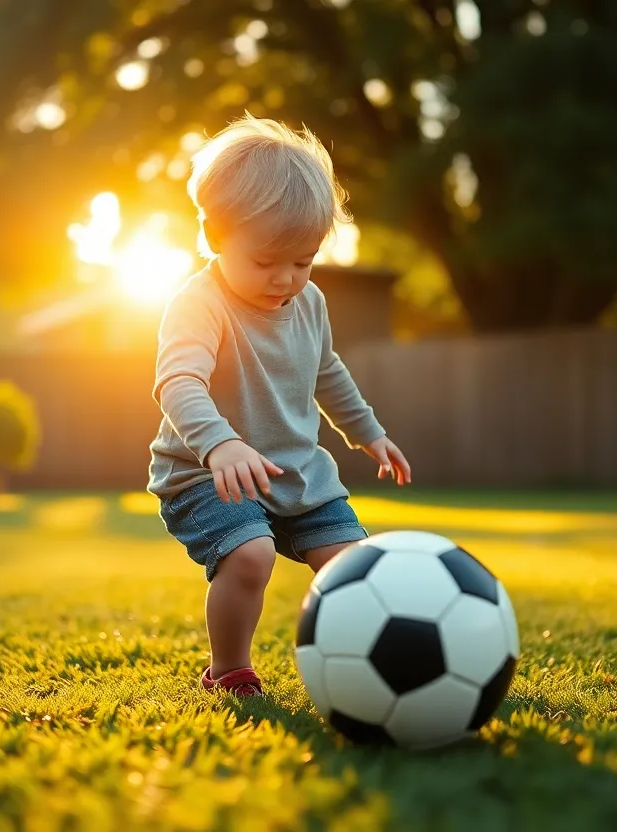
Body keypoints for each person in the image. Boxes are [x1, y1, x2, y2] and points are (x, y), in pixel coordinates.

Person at [147, 114, 412, 697]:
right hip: (207, 474)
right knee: (250, 555)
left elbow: (326, 370)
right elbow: (177, 383)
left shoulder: (309, 301)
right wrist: (221, 444)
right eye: (266, 262)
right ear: (215, 236)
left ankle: (369, 665)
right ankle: (228, 670)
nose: (286, 278)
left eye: (303, 260)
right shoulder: (199, 304)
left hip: (296, 468)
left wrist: (368, 432)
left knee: (353, 567)